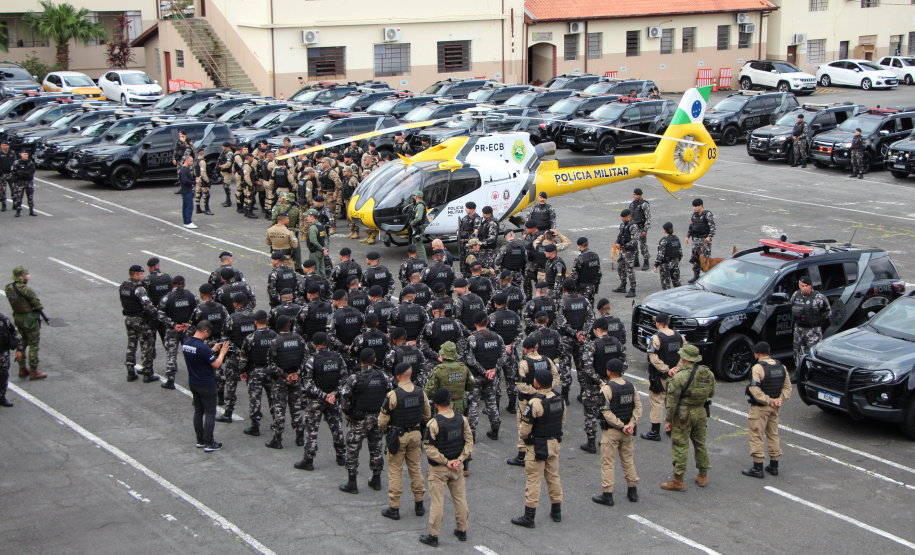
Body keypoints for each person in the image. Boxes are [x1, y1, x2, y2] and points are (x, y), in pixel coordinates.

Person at [511, 368, 564, 529]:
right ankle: (556, 511)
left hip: (537, 445)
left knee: (533, 480)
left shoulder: (535, 403)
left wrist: (524, 438)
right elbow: (562, 420)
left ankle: (529, 516)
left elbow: (525, 429)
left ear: (538, 383)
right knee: (553, 477)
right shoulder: (558, 399)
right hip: (554, 442)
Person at [379, 362, 431, 520]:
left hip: (397, 436)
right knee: (415, 468)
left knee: (395, 471)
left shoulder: (393, 395)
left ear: (398, 376)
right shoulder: (420, 393)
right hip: (415, 435)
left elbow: (381, 422)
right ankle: (419, 504)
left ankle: (394, 508)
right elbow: (427, 415)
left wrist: (388, 430)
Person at [421, 387, 473, 547]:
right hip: (457, 467)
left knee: (437, 502)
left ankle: (434, 535)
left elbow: (429, 448)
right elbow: (469, 441)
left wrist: (445, 461)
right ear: (449, 400)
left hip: (439, 469)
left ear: (435, 404)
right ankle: (462, 530)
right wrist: (460, 459)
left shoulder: (434, 423)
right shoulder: (462, 419)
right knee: (460, 499)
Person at [661, 344, 716, 492]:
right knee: (700, 443)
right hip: (701, 411)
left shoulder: (679, 377)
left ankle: (678, 480)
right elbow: (711, 393)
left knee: (680, 446)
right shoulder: (707, 374)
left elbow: (671, 403)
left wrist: (668, 420)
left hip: (684, 414)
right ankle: (703, 475)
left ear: (684, 358)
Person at [339, 348, 392, 494]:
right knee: (376, 447)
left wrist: (348, 414)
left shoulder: (354, 378)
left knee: (353, 448)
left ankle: (352, 482)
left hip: (360, 419)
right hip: (378, 418)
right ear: (374, 360)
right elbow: (390, 397)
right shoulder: (384, 377)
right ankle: (376, 479)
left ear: (360, 361)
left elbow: (345, 400)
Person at [592, 359, 641, 506]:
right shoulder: (631, 386)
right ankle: (632, 491)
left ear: (608, 372)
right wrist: (631, 424)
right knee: (628, 460)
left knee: (608, 462)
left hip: (612, 431)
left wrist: (621, 426)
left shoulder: (607, 389)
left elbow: (606, 413)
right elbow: (638, 408)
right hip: (628, 432)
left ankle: (608, 494)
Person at [296, 332, 348, 470]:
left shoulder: (312, 360)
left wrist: (323, 395)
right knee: (337, 427)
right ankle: (342, 455)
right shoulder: (338, 358)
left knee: (311, 430)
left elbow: (308, 384)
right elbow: (344, 380)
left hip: (316, 401)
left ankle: (308, 460)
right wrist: (333, 394)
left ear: (314, 345)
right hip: (333, 399)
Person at [507, 336, 560, 467]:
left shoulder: (524, 364)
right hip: (546, 399)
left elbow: (520, 385)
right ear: (536, 347)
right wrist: (547, 390)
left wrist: (535, 392)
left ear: (526, 349)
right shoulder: (547, 360)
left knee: (523, 425)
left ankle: (521, 454)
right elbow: (556, 377)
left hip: (527, 400)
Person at [742, 341, 791, 479]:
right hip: (775, 408)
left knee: (756, 435)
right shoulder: (782, 367)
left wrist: (769, 401)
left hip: (760, 408)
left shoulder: (757, 368)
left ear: (757, 354)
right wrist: (780, 399)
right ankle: (774, 466)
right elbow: (788, 387)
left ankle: (758, 468)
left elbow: (754, 389)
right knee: (773, 435)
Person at [181, 320, 230, 452]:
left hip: (194, 382)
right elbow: (216, 364)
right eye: (208, 333)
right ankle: (209, 442)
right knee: (210, 413)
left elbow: (200, 355)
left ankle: (200, 440)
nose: (208, 336)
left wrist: (212, 350)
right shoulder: (203, 348)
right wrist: (222, 353)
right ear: (205, 331)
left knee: (198, 411)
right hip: (206, 384)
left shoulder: (186, 344)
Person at [579, 317, 625, 453]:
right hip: (612, 385)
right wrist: (613, 379)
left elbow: (587, 368)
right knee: (608, 412)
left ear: (598, 330)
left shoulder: (593, 345)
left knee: (590, 414)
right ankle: (607, 439)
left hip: (594, 386)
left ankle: (591, 442)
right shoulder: (616, 343)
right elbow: (624, 363)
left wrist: (599, 381)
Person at [265, 315, 307, 449]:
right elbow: (305, 359)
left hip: (280, 381)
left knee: (279, 409)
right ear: (289, 325)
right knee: (296, 408)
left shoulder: (276, 341)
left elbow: (271, 364)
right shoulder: (299, 339)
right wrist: (297, 374)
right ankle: (300, 436)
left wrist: (285, 375)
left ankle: (277, 439)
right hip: (295, 379)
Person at [642, 312, 684, 442]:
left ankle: (655, 431)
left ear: (658, 323)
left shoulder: (656, 338)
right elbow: (684, 355)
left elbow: (653, 357)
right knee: (673, 402)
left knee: (656, 401)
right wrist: (677, 369)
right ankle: (671, 428)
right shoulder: (680, 337)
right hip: (676, 376)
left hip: (660, 376)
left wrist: (666, 370)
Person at [465, 312, 508, 441]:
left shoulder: (472, 339)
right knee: (491, 402)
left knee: (473, 405)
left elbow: (470, 360)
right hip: (492, 376)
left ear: (474, 324)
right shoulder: (497, 337)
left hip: (477, 377)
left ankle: (471, 433)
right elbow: (503, 356)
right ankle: (495, 430)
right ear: (487, 322)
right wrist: (493, 370)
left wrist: (484, 372)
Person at [238, 310, 276, 437]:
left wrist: (242, 371)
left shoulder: (251, 338)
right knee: (273, 397)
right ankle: (277, 422)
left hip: (255, 371)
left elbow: (244, 358)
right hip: (271, 371)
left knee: (255, 398)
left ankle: (255, 426)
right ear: (267, 320)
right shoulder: (274, 335)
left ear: (255, 322)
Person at [118, 265, 159, 383]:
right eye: (141, 274)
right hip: (141, 320)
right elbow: (148, 306)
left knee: (131, 345)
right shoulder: (139, 288)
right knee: (146, 346)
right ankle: (147, 373)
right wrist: (157, 315)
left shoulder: (124, 286)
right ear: (135, 275)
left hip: (129, 319)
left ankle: (130, 372)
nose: (142, 275)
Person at [5, 266, 47, 380]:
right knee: (33, 344)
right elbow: (38, 305)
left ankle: (22, 368)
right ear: (23, 277)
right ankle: (33, 370)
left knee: (22, 343)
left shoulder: (8, 288)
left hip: (18, 318)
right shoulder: (26, 289)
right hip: (30, 320)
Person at [219, 295, 256, 422]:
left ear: (235, 304)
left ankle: (228, 413)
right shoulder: (254, 317)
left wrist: (238, 351)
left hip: (235, 358)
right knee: (253, 388)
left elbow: (225, 339)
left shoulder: (231, 319)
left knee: (231, 385)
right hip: (251, 358)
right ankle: (255, 414)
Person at [158, 275, 198, 389]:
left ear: (173, 285)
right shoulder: (191, 296)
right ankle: (194, 379)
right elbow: (198, 312)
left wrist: (174, 325)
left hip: (173, 330)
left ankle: (170, 379)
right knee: (191, 354)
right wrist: (189, 324)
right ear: (184, 284)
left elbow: (160, 315)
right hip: (188, 330)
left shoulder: (167, 297)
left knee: (171, 353)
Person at [790, 276, 831, 373]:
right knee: (797, 353)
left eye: (806, 286)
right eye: (802, 286)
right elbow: (792, 307)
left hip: (812, 330)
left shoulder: (819, 298)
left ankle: (812, 374)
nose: (804, 288)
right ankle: (799, 373)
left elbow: (827, 313)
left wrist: (817, 322)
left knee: (813, 354)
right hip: (798, 329)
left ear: (810, 286)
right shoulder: (796, 295)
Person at [685, 198, 715, 284]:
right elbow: (691, 226)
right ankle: (696, 275)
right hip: (696, 240)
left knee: (705, 259)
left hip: (704, 240)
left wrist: (709, 237)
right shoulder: (694, 215)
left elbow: (712, 228)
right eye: (693, 206)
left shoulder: (707, 214)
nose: (694, 208)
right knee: (695, 258)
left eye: (696, 206)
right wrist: (687, 236)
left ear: (701, 206)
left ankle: (707, 276)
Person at [612, 209, 639, 298]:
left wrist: (624, 245)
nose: (622, 218)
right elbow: (620, 236)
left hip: (629, 251)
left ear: (628, 216)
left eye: (623, 217)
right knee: (620, 268)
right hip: (622, 250)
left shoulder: (633, 226)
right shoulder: (623, 225)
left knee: (629, 270)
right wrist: (617, 243)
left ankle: (632, 289)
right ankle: (622, 285)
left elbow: (634, 241)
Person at [0, 310, 23, 406]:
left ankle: (1, 397)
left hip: (2, 353)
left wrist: (19, 349)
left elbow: (14, 332)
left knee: (3, 375)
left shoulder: (3, 319)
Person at [571, 237, 601, 304]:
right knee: (590, 306)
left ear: (580, 245)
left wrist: (572, 289)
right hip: (592, 286)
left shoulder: (580, 258)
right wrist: (596, 286)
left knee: (583, 308)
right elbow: (599, 273)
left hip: (582, 288)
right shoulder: (595, 256)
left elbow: (574, 275)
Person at [653, 222, 682, 290]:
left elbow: (661, 255)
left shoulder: (664, 241)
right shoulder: (676, 239)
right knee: (677, 282)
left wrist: (656, 265)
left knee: (666, 284)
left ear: (664, 230)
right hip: (675, 262)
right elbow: (680, 253)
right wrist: (676, 260)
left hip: (665, 264)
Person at [629, 188, 651, 271]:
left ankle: (646, 261)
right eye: (634, 195)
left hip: (641, 227)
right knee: (633, 244)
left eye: (636, 195)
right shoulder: (632, 204)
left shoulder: (644, 204)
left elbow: (648, 218)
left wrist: (645, 230)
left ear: (640, 195)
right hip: (634, 227)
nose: (635, 196)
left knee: (643, 245)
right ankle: (636, 260)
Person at [457, 202, 481, 275]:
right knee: (462, 261)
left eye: (467, 208)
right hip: (462, 243)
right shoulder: (465, 218)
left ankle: (470, 274)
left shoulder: (477, 218)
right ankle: (464, 274)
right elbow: (460, 228)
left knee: (470, 261)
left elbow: (476, 232)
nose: (465, 209)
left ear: (472, 209)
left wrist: (466, 240)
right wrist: (458, 234)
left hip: (470, 244)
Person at [10, 151, 37, 217]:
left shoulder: (30, 163)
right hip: (20, 182)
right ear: (21, 155)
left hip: (28, 182)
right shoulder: (17, 163)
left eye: (27, 154)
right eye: (24, 154)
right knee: (19, 197)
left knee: (30, 197)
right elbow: (13, 172)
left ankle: (31, 210)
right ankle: (18, 211)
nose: (26, 155)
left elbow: (33, 170)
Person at [304, 209, 329, 277]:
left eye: (308, 216)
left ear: (312, 217)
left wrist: (322, 249)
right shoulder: (321, 226)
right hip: (321, 252)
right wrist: (325, 249)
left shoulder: (312, 228)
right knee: (322, 269)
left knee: (315, 270)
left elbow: (313, 241)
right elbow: (325, 238)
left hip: (314, 252)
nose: (307, 218)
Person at [178, 154, 198, 229]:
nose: (192, 162)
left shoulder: (185, 169)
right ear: (186, 161)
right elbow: (185, 180)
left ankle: (186, 221)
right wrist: (194, 182)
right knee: (189, 206)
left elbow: (188, 179)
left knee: (186, 206)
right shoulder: (183, 170)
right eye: (191, 161)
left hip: (186, 190)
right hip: (186, 190)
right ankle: (187, 221)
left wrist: (194, 180)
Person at [408, 191, 429, 261]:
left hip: (418, 227)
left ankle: (424, 262)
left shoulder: (420, 206)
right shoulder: (418, 205)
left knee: (419, 245)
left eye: (414, 196)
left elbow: (418, 218)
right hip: (417, 227)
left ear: (416, 197)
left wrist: (412, 223)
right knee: (415, 244)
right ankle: (416, 260)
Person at [194, 148, 214, 215]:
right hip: (202, 180)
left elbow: (194, 171)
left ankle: (198, 208)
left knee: (198, 194)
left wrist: (196, 177)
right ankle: (206, 209)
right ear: (204, 153)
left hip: (197, 179)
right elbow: (203, 173)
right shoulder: (202, 162)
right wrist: (208, 180)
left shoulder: (196, 161)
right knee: (206, 194)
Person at [217, 142, 235, 207]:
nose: (222, 147)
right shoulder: (225, 152)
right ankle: (227, 200)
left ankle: (228, 201)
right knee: (225, 186)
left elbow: (228, 164)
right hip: (224, 172)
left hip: (227, 172)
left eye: (223, 146)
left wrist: (221, 166)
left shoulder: (229, 153)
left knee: (226, 187)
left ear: (226, 147)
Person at [0, 140, 14, 212]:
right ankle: (3, 204)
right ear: (1, 146)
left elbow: (15, 162)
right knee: (2, 190)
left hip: (11, 174)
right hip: (2, 174)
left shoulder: (12, 153)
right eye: (5, 145)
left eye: (7, 145)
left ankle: (15, 203)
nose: (6, 147)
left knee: (14, 189)